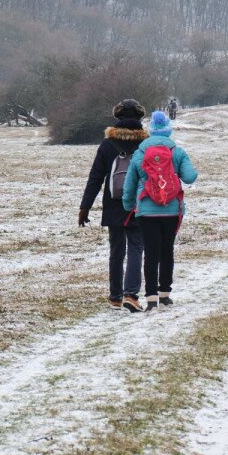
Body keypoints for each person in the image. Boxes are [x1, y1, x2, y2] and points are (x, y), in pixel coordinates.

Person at [122, 110, 197, 312]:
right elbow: (190, 177)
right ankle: (165, 294)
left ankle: (151, 298)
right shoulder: (177, 151)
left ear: (151, 130)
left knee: (151, 252)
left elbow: (129, 185)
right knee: (167, 251)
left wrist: (129, 206)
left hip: (146, 212)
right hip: (171, 211)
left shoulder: (139, 153)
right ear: (168, 130)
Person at [79, 99, 148, 312]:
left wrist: (85, 207)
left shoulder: (107, 144)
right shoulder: (145, 144)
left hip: (113, 203)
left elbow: (95, 177)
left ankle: (115, 296)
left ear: (117, 118)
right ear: (139, 118)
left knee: (116, 250)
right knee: (136, 247)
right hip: (138, 203)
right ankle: (131, 294)